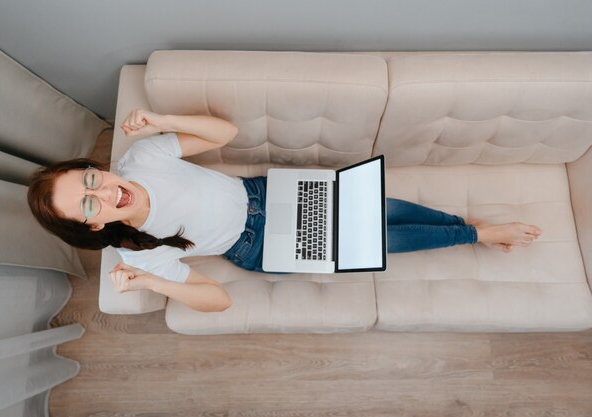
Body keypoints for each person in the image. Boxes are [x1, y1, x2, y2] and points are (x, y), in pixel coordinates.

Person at [28, 110, 543, 313]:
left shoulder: (141, 158)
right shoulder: (132, 250)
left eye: (91, 179)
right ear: (92, 224)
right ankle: (475, 234)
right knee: (370, 243)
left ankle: (469, 229)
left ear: (97, 167)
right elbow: (216, 300)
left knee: (374, 207)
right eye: (89, 204)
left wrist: (161, 119)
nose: (106, 193)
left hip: (264, 195)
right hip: (253, 247)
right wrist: (147, 284)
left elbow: (223, 133)